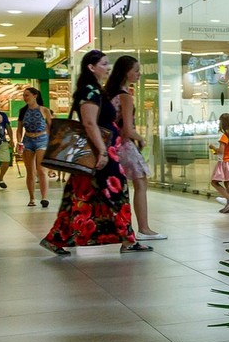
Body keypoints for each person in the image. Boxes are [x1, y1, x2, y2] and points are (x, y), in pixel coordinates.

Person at [41, 50, 150, 255]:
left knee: (80, 194)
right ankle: (127, 240)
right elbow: (90, 123)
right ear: (91, 67)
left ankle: (57, 238)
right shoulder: (89, 91)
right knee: (115, 192)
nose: (108, 68)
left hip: (97, 151)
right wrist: (102, 152)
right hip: (98, 151)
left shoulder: (95, 89)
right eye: (103, 64)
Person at [105, 56, 165, 241]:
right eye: (136, 70)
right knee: (140, 182)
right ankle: (144, 228)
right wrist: (141, 139)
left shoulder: (110, 94)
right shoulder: (125, 96)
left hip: (110, 145)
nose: (139, 74)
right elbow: (128, 130)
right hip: (123, 145)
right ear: (126, 72)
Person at [15, 87, 52, 208]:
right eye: (24, 95)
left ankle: (44, 197)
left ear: (35, 96)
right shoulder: (22, 111)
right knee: (30, 171)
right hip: (28, 140)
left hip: (42, 139)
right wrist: (19, 142)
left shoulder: (44, 110)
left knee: (41, 170)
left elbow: (51, 127)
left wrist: (52, 143)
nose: (24, 98)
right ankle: (32, 198)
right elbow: (19, 129)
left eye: (27, 95)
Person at [209, 112, 229, 212]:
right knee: (227, 182)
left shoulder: (224, 136)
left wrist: (213, 147)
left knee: (214, 182)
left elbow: (221, 151)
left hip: (225, 162)